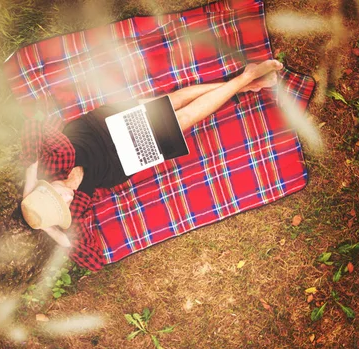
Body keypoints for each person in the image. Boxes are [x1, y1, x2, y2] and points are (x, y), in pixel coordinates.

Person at [20, 60, 284, 249]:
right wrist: (46, 224)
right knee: (185, 116)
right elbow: (80, 249)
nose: (67, 198)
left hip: (107, 124)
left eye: (57, 196)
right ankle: (243, 83)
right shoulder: (75, 204)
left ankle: (245, 80)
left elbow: (32, 127)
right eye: (63, 206)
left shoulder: (52, 159)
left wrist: (28, 190)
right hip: (127, 155)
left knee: (175, 101)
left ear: (45, 186)